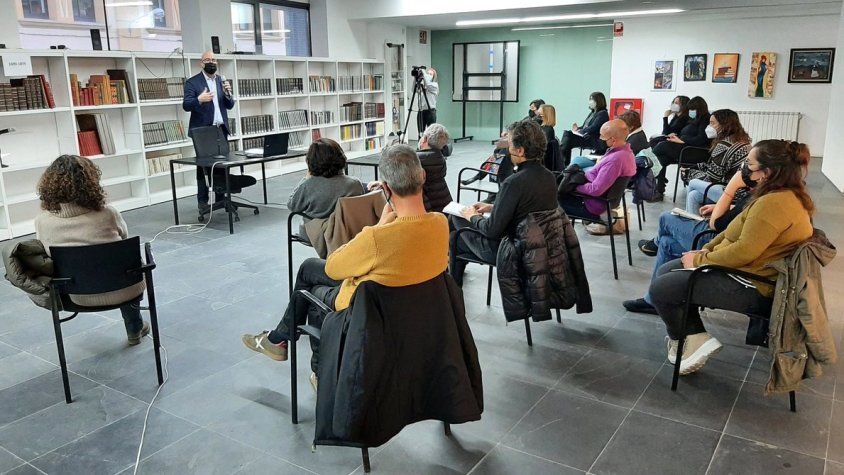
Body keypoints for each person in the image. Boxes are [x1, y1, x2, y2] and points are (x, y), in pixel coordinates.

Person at [242, 144, 449, 387]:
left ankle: (316, 369)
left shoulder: (376, 238)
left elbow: (333, 268)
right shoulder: (440, 223)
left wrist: (379, 226)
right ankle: (280, 340)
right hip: (416, 314)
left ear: (385, 187)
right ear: (423, 175)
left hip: (363, 310)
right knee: (309, 268)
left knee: (307, 293)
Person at [648, 140, 814, 375]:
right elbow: (730, 232)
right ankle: (692, 338)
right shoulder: (775, 195)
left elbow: (744, 251)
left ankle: (688, 339)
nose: (745, 167)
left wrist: (698, 261)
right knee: (668, 271)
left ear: (767, 172)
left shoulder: (774, 204)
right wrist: (705, 253)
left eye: (750, 164)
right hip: (748, 271)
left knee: (662, 288)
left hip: (755, 285)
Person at [34, 155, 149, 345]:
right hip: (126, 289)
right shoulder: (108, 214)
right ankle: (134, 326)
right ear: (90, 183)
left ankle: (134, 325)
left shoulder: (42, 221)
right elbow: (123, 239)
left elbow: (46, 253)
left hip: (78, 294)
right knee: (124, 265)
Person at [623, 169, 753, 314]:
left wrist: (731, 188)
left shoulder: (764, 199)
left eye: (750, 165)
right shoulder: (759, 193)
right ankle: (653, 300)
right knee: (666, 242)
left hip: (714, 241)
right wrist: (724, 206)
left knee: (665, 218)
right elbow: (743, 210)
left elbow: (716, 224)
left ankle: (654, 244)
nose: (744, 170)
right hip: (717, 239)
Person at [449, 119, 557, 286]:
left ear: (520, 151)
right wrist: (493, 207)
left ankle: (453, 290)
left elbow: (492, 230)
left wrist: (472, 217)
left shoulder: (513, 182)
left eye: (509, 144)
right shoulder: (549, 177)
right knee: (459, 230)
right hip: (538, 249)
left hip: (508, 251)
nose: (507, 148)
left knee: (456, 226)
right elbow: (527, 208)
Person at [182, 51, 236, 215]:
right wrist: (199, 99)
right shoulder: (193, 82)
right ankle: (203, 202)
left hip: (221, 129)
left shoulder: (221, 80)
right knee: (203, 168)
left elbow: (230, 105)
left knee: (222, 166)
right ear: (201, 63)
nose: (211, 62)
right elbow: (186, 105)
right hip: (203, 132)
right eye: (207, 60)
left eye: (213, 59)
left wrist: (228, 93)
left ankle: (221, 200)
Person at [558, 120, 636, 229]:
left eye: (602, 137)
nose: (600, 139)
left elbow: (596, 189)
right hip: (600, 202)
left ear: (613, 140)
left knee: (549, 203)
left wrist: (574, 187)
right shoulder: (627, 153)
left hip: (592, 206)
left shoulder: (615, 160)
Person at [287, 138, 365, 241]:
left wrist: (306, 177)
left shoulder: (309, 185)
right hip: (349, 232)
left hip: (317, 234)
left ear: (311, 161)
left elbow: (293, 206)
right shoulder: (355, 183)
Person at [683, 109, 751, 213]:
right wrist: (699, 167)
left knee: (692, 182)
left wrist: (689, 173)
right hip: (745, 193)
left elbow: (712, 179)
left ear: (724, 125)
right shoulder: (742, 140)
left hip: (733, 193)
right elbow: (716, 167)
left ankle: (690, 223)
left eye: (712, 123)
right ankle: (695, 225)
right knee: (694, 195)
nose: (709, 126)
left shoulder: (724, 145)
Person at [651, 96, 711, 200]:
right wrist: (677, 137)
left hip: (693, 151)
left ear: (699, 109)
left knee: (662, 146)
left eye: (692, 109)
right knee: (661, 159)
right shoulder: (693, 120)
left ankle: (642, 166)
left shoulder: (705, 119)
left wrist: (682, 140)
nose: (690, 111)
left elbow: (701, 140)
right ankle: (658, 190)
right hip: (685, 148)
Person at [559, 91, 610, 166]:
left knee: (568, 138)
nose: (590, 102)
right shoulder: (592, 113)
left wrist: (581, 131)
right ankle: (563, 160)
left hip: (593, 139)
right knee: (568, 134)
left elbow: (594, 128)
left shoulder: (603, 114)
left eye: (592, 100)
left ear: (598, 101)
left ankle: (562, 160)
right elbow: (585, 126)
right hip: (586, 136)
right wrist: (578, 128)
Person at [415, 123, 452, 212]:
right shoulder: (440, 159)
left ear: (425, 139)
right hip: (445, 208)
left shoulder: (414, 160)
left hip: (426, 210)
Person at [416, 67, 439, 134]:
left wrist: (424, 73)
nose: (428, 75)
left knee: (431, 133)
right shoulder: (422, 85)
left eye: (430, 74)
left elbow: (428, 85)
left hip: (430, 112)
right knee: (420, 133)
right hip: (421, 111)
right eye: (427, 73)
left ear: (434, 77)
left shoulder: (434, 85)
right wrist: (416, 78)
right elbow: (413, 90)